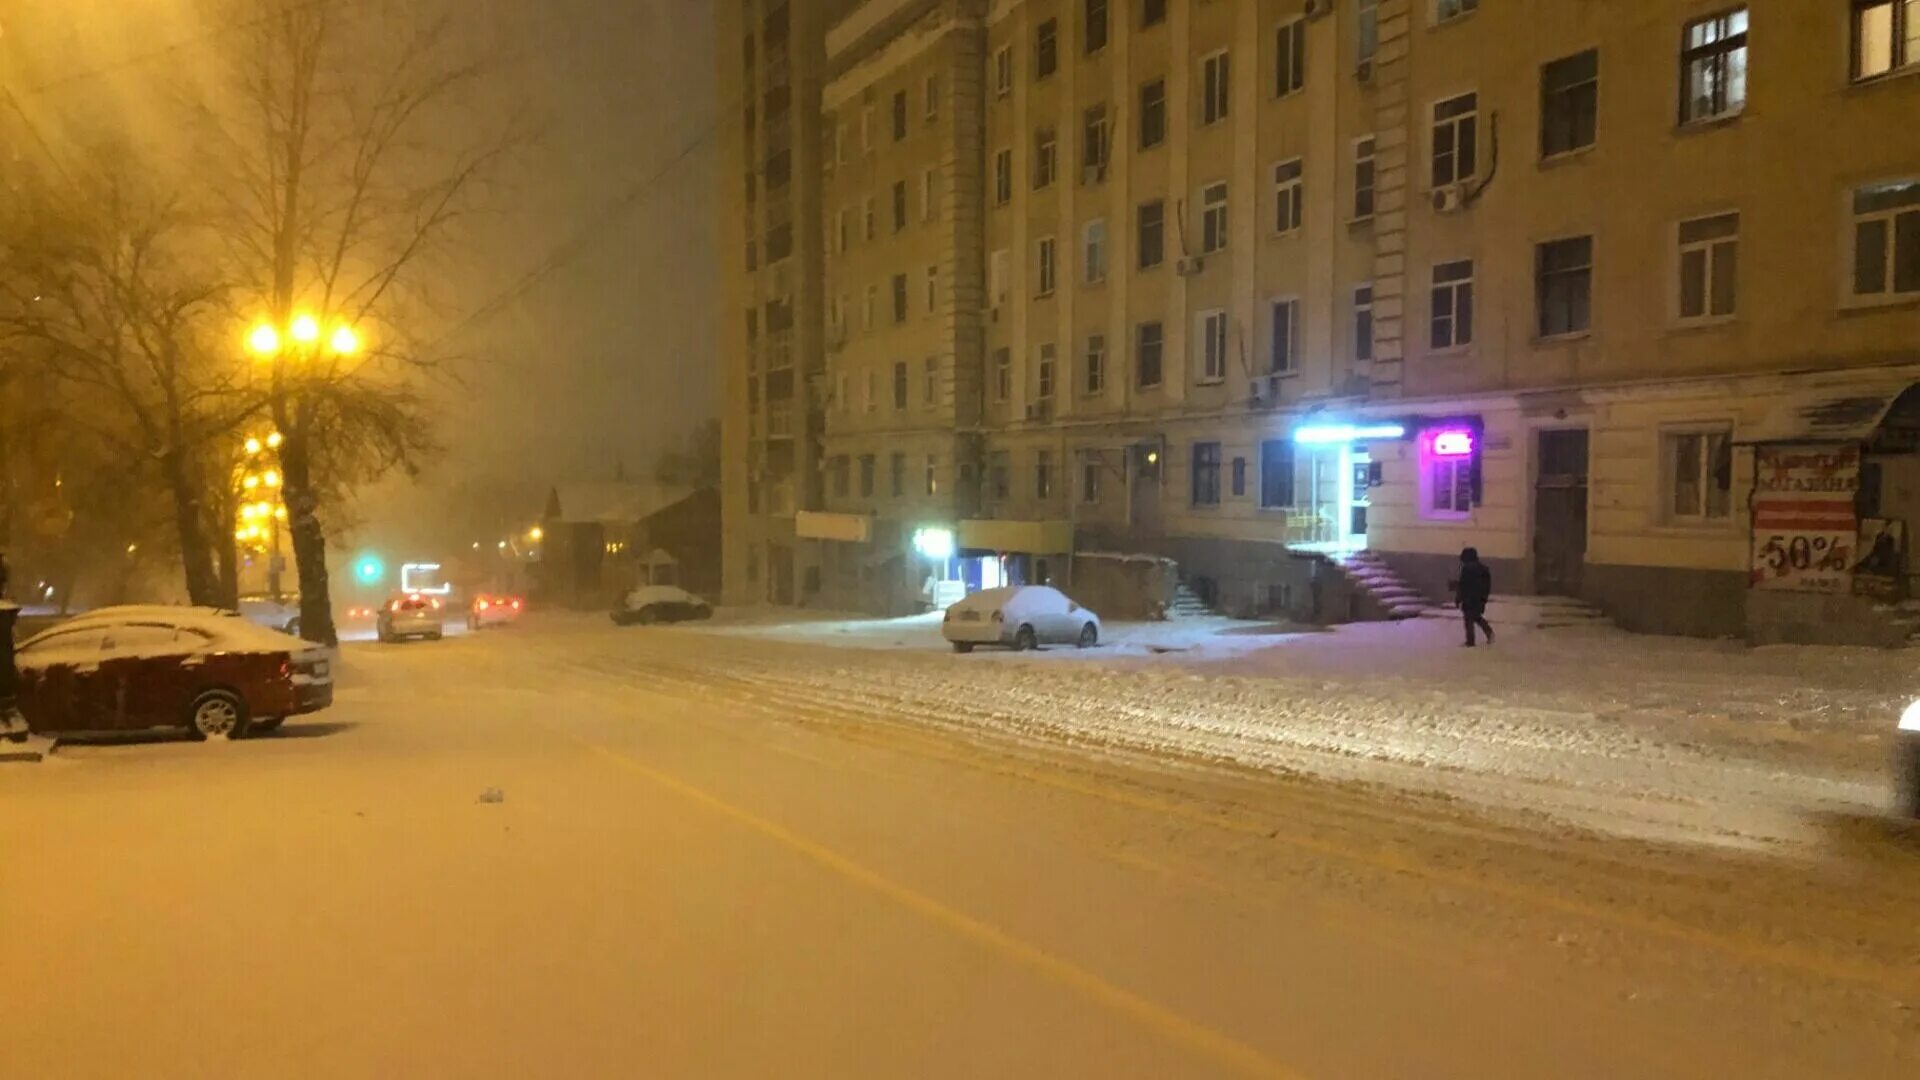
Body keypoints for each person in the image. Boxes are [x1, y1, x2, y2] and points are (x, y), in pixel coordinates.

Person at [1455, 547, 1494, 647]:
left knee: (1469, 620)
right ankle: (1489, 632)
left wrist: (1458, 598)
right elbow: (1486, 585)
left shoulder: (1466, 569)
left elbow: (1463, 585)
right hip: (1478, 598)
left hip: (1468, 598)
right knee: (1476, 617)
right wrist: (1484, 598)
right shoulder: (1483, 569)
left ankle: (1470, 641)